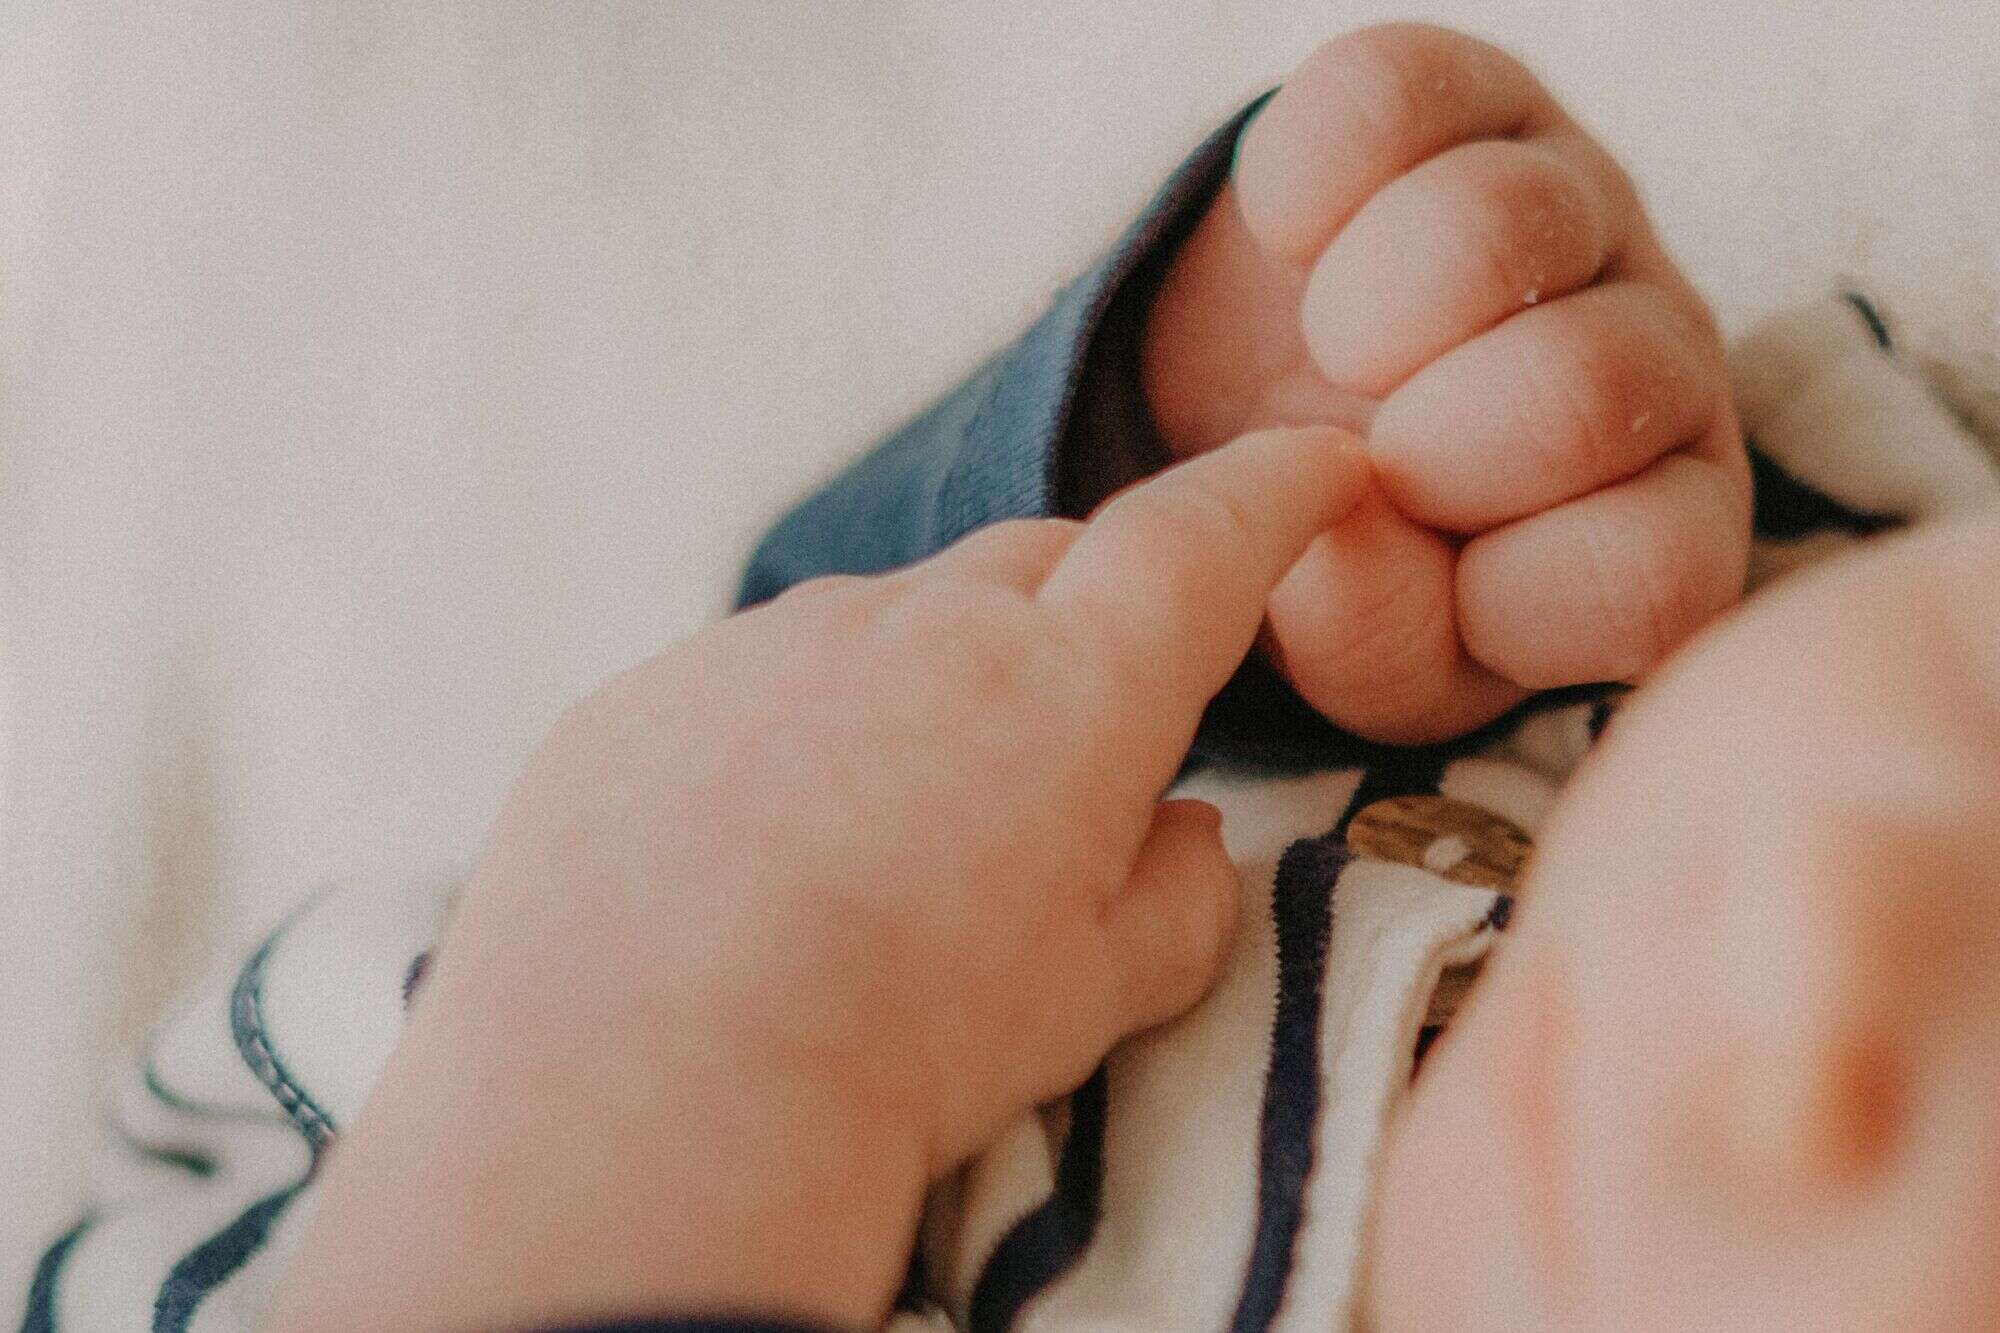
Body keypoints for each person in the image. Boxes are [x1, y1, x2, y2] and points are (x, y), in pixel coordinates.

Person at [20, 22, 2000, 1333]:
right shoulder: (1819, 568)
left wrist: (690, 1051)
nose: (1835, 927)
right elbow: (818, 694)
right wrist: (1202, 454)